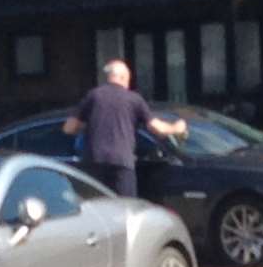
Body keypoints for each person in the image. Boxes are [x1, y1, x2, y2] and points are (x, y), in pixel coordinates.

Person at [62, 59, 187, 197]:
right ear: (123, 77)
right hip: (122, 162)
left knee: (96, 208)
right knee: (126, 207)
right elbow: (157, 129)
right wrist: (177, 127)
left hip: (94, 161)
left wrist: (89, 124)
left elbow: (69, 128)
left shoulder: (93, 96)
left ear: (109, 77)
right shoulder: (134, 99)